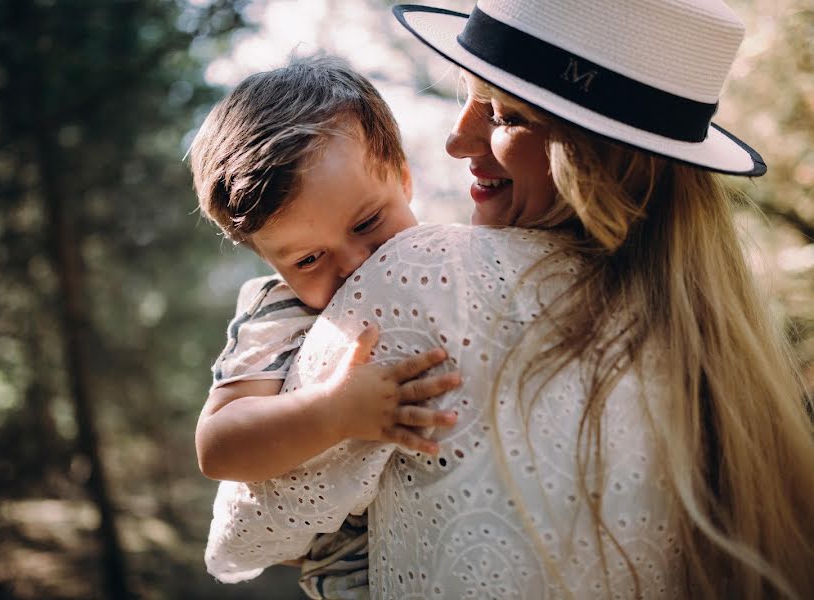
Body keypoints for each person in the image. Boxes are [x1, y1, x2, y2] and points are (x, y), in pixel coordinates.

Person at [205, 1, 814, 599]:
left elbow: (250, 532)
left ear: (595, 154)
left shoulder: (424, 277)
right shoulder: (727, 349)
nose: (454, 138)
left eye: (503, 116)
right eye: (469, 99)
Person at [190, 56, 464, 598]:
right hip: (359, 572)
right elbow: (218, 446)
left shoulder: (446, 261)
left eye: (367, 223)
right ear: (269, 262)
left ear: (404, 179)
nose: (354, 265)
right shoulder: (277, 311)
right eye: (308, 260)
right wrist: (334, 413)